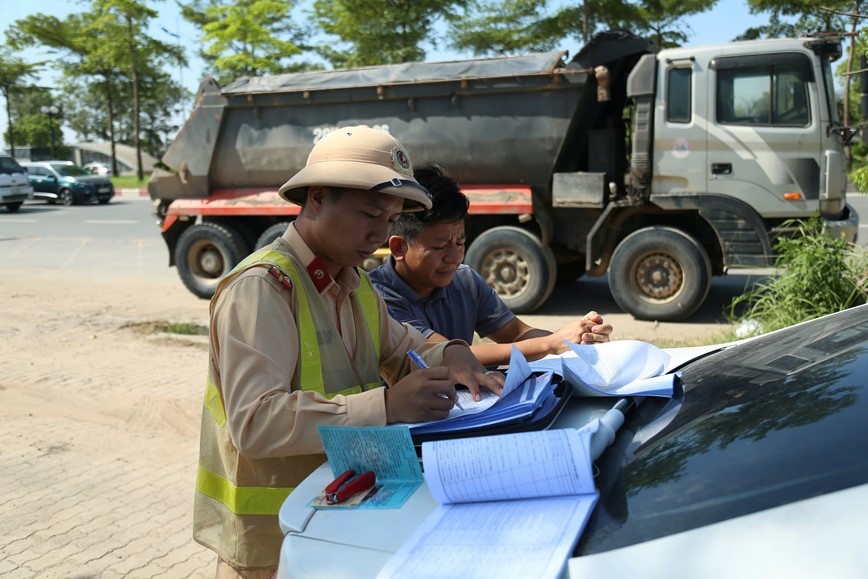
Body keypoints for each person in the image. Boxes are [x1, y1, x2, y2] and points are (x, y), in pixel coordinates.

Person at [193, 128, 504, 579]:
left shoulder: (354, 282)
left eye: (391, 219)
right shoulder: (262, 288)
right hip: (272, 543)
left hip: (334, 517)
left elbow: (402, 347)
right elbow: (256, 423)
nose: (379, 233)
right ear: (317, 198)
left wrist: (452, 352)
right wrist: (387, 405)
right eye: (369, 215)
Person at [369, 164, 614, 367]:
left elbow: (518, 333)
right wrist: (551, 344)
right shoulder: (377, 296)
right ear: (399, 248)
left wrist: (576, 338)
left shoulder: (464, 280)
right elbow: (448, 354)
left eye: (461, 242)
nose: (455, 256)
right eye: (440, 246)